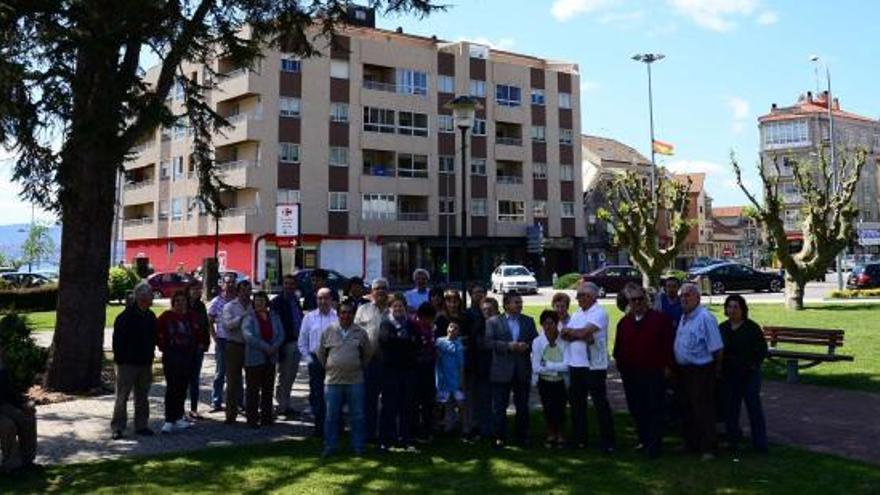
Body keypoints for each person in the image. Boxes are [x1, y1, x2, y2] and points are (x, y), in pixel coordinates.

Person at [614, 285, 675, 458]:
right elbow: (618, 348)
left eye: (641, 299)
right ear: (629, 302)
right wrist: (622, 367)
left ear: (647, 300)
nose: (638, 302)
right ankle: (643, 440)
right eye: (634, 300)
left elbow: (669, 345)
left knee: (654, 408)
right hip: (631, 373)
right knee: (636, 408)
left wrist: (668, 367)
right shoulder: (624, 323)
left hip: (654, 372)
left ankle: (654, 445)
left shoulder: (660, 320)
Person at [561, 282, 616, 453]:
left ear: (591, 296)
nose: (578, 299)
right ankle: (579, 439)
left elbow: (584, 333)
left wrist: (578, 334)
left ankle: (608, 441)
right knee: (577, 404)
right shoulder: (577, 313)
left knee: (600, 404)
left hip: (594, 365)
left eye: (581, 296)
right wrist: (579, 335)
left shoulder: (599, 312)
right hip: (575, 364)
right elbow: (565, 333)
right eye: (577, 296)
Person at [675, 283, 725, 460]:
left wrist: (716, 370)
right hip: (684, 370)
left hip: (702, 370)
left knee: (703, 410)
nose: (684, 299)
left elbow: (717, 348)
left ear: (697, 297)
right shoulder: (685, 317)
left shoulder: (705, 318)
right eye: (682, 296)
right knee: (686, 408)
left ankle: (709, 448)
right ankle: (691, 443)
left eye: (688, 295)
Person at [317, 302, 373, 457]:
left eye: (349, 312)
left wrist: (356, 365)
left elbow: (367, 354)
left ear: (353, 315)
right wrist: (330, 366)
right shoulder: (329, 330)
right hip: (333, 381)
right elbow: (320, 353)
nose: (346, 315)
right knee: (331, 416)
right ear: (339, 314)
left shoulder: (360, 332)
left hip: (355, 380)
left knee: (358, 416)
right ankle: (330, 447)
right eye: (343, 312)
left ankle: (358, 447)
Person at [485, 293, 538, 449]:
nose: (520, 305)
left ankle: (522, 436)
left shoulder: (528, 321)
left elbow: (535, 340)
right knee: (499, 407)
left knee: (522, 406)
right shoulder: (493, 322)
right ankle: (498, 437)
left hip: (522, 369)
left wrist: (526, 345)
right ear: (506, 305)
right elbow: (488, 342)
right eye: (516, 302)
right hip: (501, 370)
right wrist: (509, 346)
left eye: (520, 302)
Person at [719, 294, 768, 453]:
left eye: (736, 307)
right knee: (731, 409)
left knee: (753, 407)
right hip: (729, 374)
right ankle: (732, 439)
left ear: (742, 310)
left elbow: (761, 350)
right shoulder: (723, 328)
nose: (732, 310)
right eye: (729, 307)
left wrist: (753, 365)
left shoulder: (751, 328)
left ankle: (760, 444)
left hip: (749, 374)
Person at [111, 281, 157, 439]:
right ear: (141, 297)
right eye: (150, 295)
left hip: (145, 363)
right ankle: (118, 427)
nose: (152, 297)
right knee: (122, 396)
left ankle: (141, 425)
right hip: (127, 364)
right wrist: (121, 361)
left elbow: (153, 338)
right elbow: (117, 342)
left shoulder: (151, 316)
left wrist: (151, 357)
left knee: (142, 397)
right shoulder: (125, 317)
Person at [157, 290, 204, 434]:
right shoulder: (166, 317)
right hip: (171, 357)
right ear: (173, 302)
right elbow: (158, 335)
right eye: (177, 300)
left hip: (188, 357)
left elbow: (199, 334)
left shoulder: (192, 317)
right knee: (172, 388)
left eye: (183, 300)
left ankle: (178, 417)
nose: (180, 303)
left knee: (183, 388)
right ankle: (169, 420)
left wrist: (199, 346)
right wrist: (164, 347)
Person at [378, 295, 419, 452]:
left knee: (407, 406)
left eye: (401, 306)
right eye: (395, 306)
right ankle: (385, 440)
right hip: (390, 372)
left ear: (405, 308)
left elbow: (417, 343)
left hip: (408, 371)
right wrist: (405, 342)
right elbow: (385, 342)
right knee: (389, 407)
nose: (398, 309)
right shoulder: (386, 324)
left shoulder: (411, 324)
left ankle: (406, 439)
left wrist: (400, 343)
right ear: (390, 308)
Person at [354, 278, 390, 444]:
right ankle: (369, 433)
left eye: (384, 288)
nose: (380, 291)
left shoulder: (394, 309)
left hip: (390, 362)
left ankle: (386, 432)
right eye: (377, 288)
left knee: (389, 400)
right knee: (369, 400)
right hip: (369, 361)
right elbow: (355, 333)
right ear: (372, 292)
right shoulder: (363, 310)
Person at [298, 288, 338, 437]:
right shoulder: (309, 318)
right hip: (315, 360)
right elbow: (302, 342)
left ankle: (335, 426)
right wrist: (309, 360)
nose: (323, 301)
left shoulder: (338, 316)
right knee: (317, 394)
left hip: (334, 359)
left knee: (335, 394)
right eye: (320, 298)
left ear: (331, 300)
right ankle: (319, 428)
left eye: (326, 298)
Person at [242, 291, 284, 428]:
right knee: (253, 391)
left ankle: (267, 418)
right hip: (254, 358)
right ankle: (252, 419)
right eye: (256, 300)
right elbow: (248, 336)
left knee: (268, 390)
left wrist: (274, 347)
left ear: (267, 302)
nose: (259, 303)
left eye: (261, 300)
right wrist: (266, 347)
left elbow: (281, 334)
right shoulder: (249, 317)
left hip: (271, 359)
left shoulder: (275, 316)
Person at [531, 310, 568, 449]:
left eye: (551, 323)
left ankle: (560, 434)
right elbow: (536, 367)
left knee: (560, 408)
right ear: (541, 325)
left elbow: (567, 365)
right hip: (544, 382)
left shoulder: (564, 340)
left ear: (556, 323)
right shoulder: (538, 342)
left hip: (561, 381)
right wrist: (556, 368)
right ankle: (551, 434)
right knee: (548, 408)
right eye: (545, 324)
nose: (548, 326)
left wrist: (547, 365)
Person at [270, 274, 304, 419]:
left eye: (292, 284)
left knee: (291, 375)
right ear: (283, 285)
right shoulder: (277, 302)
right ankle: (280, 405)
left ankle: (287, 403)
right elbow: (274, 325)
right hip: (284, 343)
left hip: (297, 342)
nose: (289, 286)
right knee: (283, 375)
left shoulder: (295, 301)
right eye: (286, 283)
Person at [0, 347, 38, 473]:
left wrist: (24, 404)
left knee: (27, 418)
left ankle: (27, 461)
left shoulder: (1, 367)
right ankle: (11, 465)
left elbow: (9, 391)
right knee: (8, 426)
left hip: (4, 406)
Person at [221, 280, 253, 424]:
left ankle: (252, 413)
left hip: (251, 347)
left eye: (249, 290)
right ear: (238, 291)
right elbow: (227, 325)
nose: (246, 293)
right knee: (233, 382)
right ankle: (230, 415)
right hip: (234, 346)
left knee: (252, 380)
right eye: (243, 290)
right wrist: (242, 317)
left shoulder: (255, 305)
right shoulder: (229, 306)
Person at [464, 284, 492, 440]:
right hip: (473, 361)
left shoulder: (491, 311)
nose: (479, 295)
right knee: (472, 396)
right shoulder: (468, 314)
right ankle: (473, 426)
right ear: (471, 295)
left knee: (486, 396)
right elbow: (469, 335)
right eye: (476, 292)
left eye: (482, 292)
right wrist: (481, 318)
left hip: (488, 361)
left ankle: (486, 426)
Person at [208, 274, 237, 413]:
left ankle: (238, 401)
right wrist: (214, 336)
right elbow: (209, 320)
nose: (230, 285)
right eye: (227, 282)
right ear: (223, 284)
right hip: (222, 340)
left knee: (237, 373)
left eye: (232, 282)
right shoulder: (216, 301)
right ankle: (216, 401)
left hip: (237, 341)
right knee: (220, 373)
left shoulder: (239, 301)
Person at [411, 302, 437, 442]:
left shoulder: (430, 328)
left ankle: (427, 430)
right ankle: (415, 431)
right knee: (415, 402)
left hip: (429, 368)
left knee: (428, 401)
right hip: (416, 369)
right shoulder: (413, 326)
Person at [436, 320, 465, 434]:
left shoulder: (459, 345)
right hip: (442, 380)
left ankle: (463, 428)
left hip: (455, 380)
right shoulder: (439, 341)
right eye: (451, 327)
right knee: (440, 404)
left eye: (455, 328)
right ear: (447, 328)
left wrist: (462, 381)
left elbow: (461, 365)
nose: (452, 329)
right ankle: (438, 427)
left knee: (460, 404)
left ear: (458, 332)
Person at [187, 282, 211, 420]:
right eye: (194, 289)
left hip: (198, 347)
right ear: (189, 290)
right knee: (183, 379)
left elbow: (205, 325)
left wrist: (206, 343)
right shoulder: (183, 304)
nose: (197, 292)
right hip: (184, 348)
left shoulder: (201, 306)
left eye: (199, 289)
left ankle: (194, 409)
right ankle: (179, 410)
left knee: (195, 379)